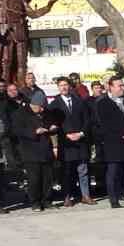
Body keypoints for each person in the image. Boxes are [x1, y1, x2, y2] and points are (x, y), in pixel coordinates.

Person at [95, 75, 124, 207]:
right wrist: (123, 132)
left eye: (123, 85)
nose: (122, 87)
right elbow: (105, 124)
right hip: (113, 143)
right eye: (119, 85)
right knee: (113, 173)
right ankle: (114, 200)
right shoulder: (102, 103)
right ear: (111, 87)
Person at [50, 77, 93, 206]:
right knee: (67, 172)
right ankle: (67, 197)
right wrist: (66, 135)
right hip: (66, 143)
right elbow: (53, 124)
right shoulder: (54, 104)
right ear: (58, 87)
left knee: (83, 170)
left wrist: (81, 133)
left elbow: (87, 120)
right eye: (61, 85)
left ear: (70, 86)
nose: (63, 87)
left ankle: (86, 195)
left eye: (66, 85)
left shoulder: (79, 101)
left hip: (80, 141)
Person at [13, 90, 57, 212]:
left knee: (47, 177)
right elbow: (16, 130)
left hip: (45, 149)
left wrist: (52, 128)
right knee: (34, 178)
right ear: (33, 104)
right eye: (40, 107)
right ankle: (35, 202)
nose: (42, 110)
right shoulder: (20, 113)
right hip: (30, 150)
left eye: (43, 107)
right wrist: (34, 132)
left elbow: (51, 123)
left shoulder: (45, 111)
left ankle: (47, 200)